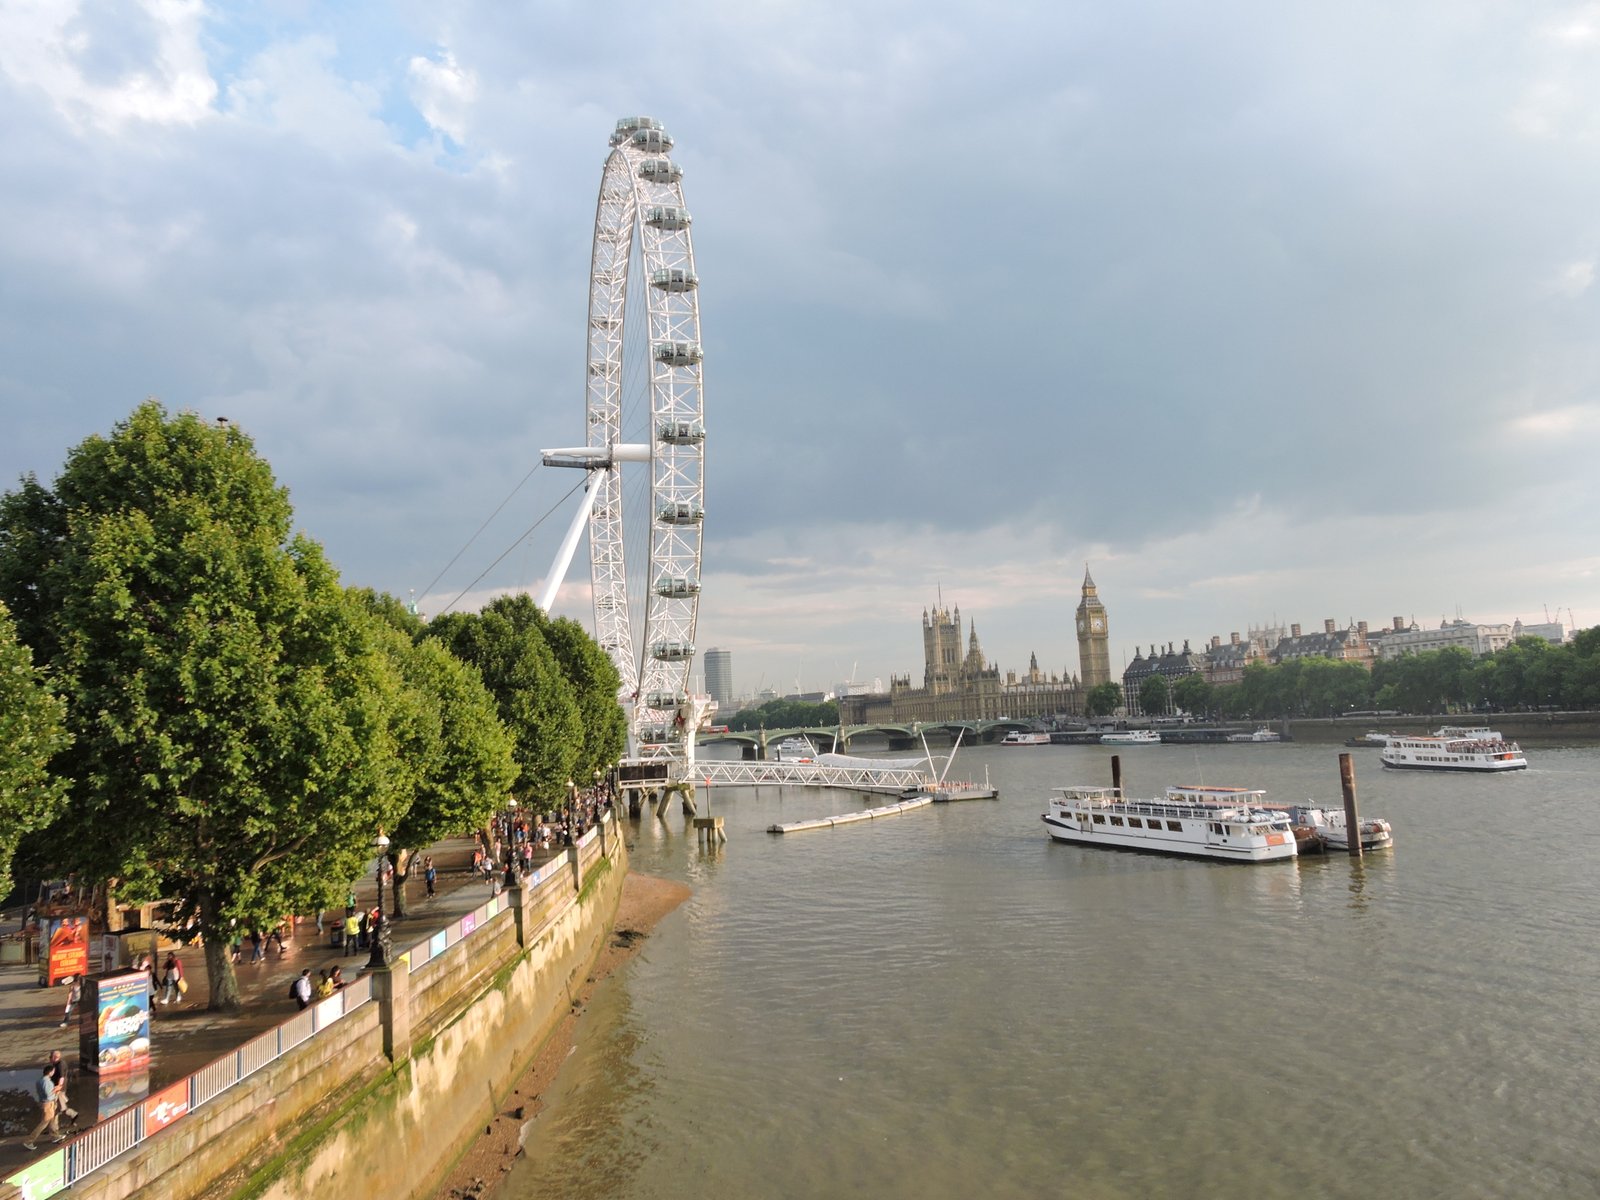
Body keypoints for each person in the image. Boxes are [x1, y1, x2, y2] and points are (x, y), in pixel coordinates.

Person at [23, 1064, 62, 1150]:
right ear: (50, 1072)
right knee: (44, 1123)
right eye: (53, 1071)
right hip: (49, 1104)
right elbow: (49, 1095)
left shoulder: (39, 1081)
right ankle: (29, 1141)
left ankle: (55, 1136)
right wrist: (56, 1090)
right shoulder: (47, 1082)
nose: (53, 1073)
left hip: (44, 1103)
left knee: (51, 1120)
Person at [47, 1050, 77, 1131]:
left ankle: (55, 1128)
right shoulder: (56, 1064)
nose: (49, 1058)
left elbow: (62, 1077)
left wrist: (58, 1087)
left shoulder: (60, 1065)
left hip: (59, 1090)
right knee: (59, 1108)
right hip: (58, 1089)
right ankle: (73, 1115)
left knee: (58, 1109)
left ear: (55, 1057)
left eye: (50, 1057)